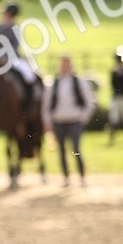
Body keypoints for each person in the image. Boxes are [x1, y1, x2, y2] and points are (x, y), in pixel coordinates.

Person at [42, 56, 95, 186]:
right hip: (58, 122)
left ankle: (82, 176)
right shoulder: (54, 83)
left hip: (74, 121)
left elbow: (90, 102)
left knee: (76, 149)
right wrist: (47, 122)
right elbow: (46, 105)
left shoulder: (79, 82)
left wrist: (83, 118)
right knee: (61, 151)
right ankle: (66, 177)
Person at [0, 2, 40, 108]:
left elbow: (14, 45)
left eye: (9, 14)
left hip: (13, 58)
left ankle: (28, 102)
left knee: (29, 75)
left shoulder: (15, 28)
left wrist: (5, 58)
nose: (6, 16)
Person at [108, 49, 123, 142]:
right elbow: (113, 85)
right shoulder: (113, 73)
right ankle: (112, 138)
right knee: (113, 119)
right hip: (116, 97)